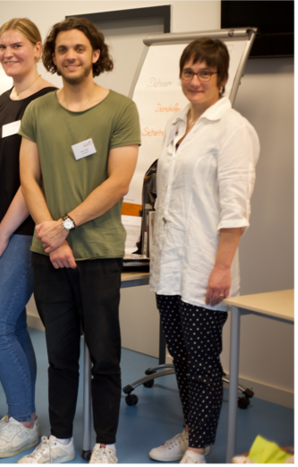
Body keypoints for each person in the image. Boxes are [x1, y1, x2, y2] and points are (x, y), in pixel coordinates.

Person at [18, 17, 140, 466]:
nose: (70, 56)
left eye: (79, 48)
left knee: (105, 355)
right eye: (62, 49)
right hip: (47, 253)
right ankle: (63, 439)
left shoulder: (121, 109)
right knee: (60, 354)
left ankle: (105, 444)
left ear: (94, 54)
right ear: (52, 56)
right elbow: (28, 178)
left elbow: (119, 182)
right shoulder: (38, 111)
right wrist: (52, 236)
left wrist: (64, 224)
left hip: (99, 251)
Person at [148, 38, 260, 467]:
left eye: (205, 73)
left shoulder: (233, 129)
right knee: (181, 355)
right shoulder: (177, 124)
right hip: (169, 263)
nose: (195, 81)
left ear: (222, 79)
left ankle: (199, 447)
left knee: (202, 360)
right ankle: (192, 429)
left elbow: (235, 208)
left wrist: (221, 268)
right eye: (189, 72)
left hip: (204, 265)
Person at [0, 18, 57, 459]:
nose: (8, 53)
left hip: (22, 231)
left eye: (17, 45)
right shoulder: (4, 100)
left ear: (38, 48)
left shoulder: (47, 102)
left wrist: (2, 234)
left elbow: (32, 180)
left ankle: (24, 421)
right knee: (14, 325)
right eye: (2, 46)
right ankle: (19, 411)